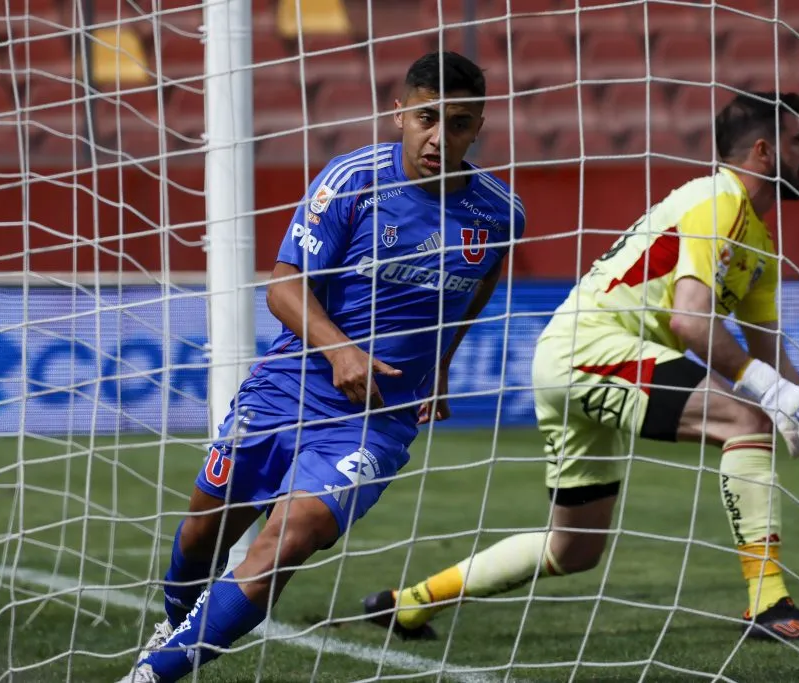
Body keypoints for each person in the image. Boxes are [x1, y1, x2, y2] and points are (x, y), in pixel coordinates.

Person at [362, 91, 799, 644]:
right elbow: (692, 323)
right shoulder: (720, 200)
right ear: (764, 151)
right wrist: (772, 398)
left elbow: (769, 352)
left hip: (571, 356)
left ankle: (410, 604)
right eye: (798, 141)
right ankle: (769, 607)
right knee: (744, 422)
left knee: (572, 550)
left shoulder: (757, 243)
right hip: (595, 347)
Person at [119, 50, 525, 682]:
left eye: (460, 124)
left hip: (376, 418)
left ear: (479, 128)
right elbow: (283, 288)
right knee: (205, 531)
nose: (439, 138)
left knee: (289, 537)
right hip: (291, 385)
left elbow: (478, 284)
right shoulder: (353, 180)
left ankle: (153, 676)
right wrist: (339, 350)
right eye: (427, 117)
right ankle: (174, 621)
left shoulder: (499, 212)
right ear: (400, 113)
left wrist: (441, 362)